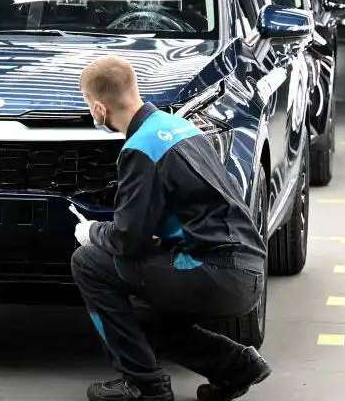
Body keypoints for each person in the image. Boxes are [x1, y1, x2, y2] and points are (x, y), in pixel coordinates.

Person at [72, 55, 271, 401]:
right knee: (140, 313)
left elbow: (126, 240)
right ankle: (236, 366)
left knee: (88, 261)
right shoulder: (179, 127)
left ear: (99, 109)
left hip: (214, 272)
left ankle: (145, 386)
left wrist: (91, 232)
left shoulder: (140, 149)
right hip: (246, 268)